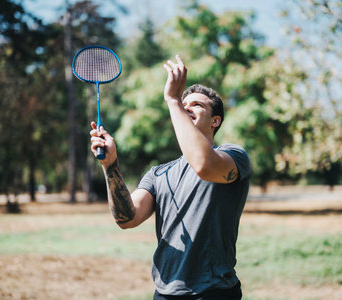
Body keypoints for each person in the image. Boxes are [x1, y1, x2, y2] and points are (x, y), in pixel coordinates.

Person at [90, 55, 251, 299]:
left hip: (214, 292)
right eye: (184, 103)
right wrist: (110, 165)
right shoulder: (158, 173)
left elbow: (204, 165)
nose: (187, 106)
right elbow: (127, 219)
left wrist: (173, 99)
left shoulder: (233, 156)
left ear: (215, 120)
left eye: (197, 105)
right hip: (165, 293)